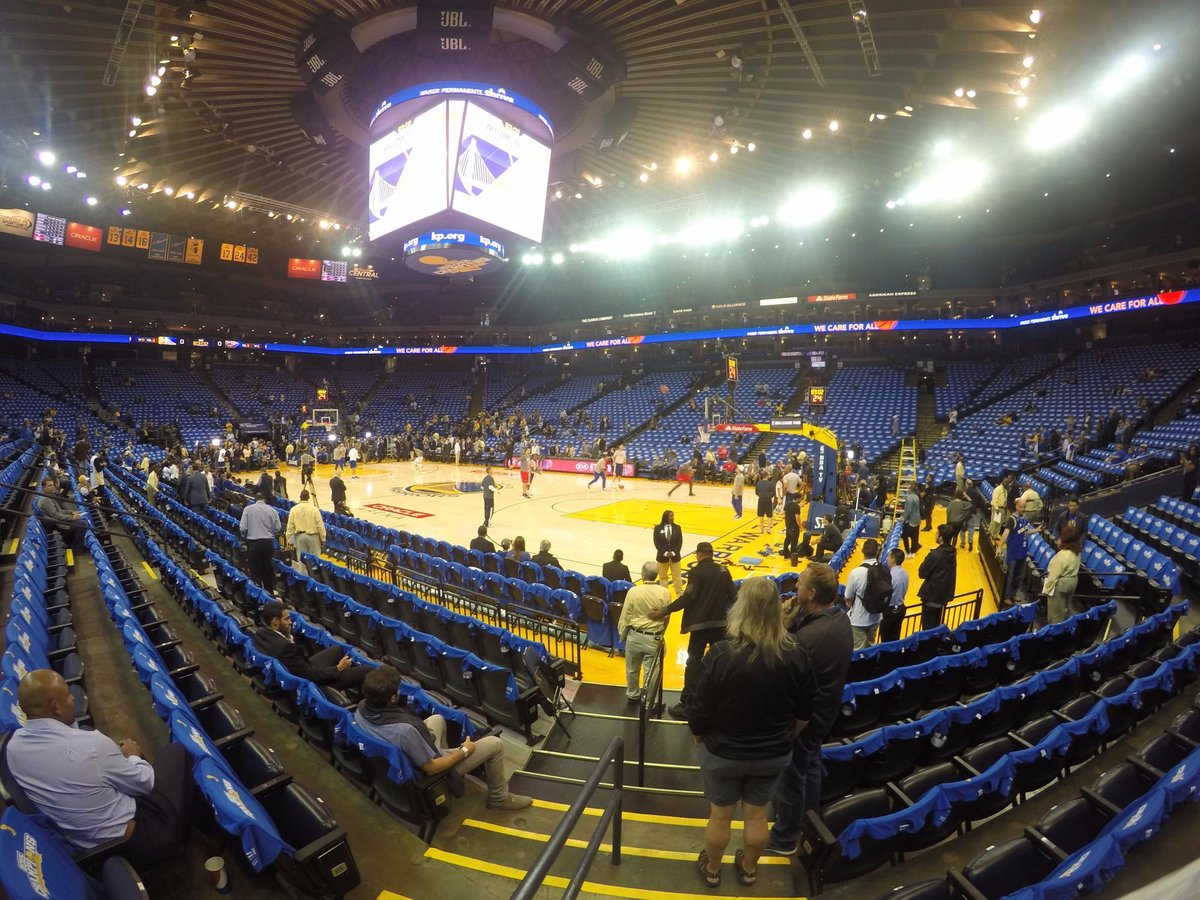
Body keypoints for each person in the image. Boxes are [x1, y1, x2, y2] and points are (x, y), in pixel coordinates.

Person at [688, 577, 818, 888]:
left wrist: (700, 739)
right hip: (772, 753)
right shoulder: (796, 652)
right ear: (776, 610)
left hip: (722, 752)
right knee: (757, 816)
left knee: (720, 816)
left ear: (741, 609)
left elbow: (698, 710)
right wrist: (788, 736)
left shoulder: (721, 652)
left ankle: (713, 870)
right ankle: (748, 869)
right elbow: (805, 710)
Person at [6, 669, 192, 867]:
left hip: (87, 845)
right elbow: (144, 784)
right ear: (56, 708)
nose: (72, 699)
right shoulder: (92, 745)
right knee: (176, 752)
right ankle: (183, 836)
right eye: (68, 694)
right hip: (139, 838)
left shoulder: (12, 749)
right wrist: (134, 757)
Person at [353, 665, 530, 810]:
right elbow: (431, 768)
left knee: (437, 720)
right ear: (393, 697)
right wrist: (465, 751)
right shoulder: (405, 732)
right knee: (495, 744)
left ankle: (448, 789)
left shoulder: (361, 710)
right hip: (431, 770)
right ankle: (498, 797)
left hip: (408, 754)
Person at [766, 563, 853, 856]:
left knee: (792, 778)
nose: (795, 588)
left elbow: (783, 665)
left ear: (812, 593)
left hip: (806, 719)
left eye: (800, 584)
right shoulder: (839, 618)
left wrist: (783, 623)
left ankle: (785, 838)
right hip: (826, 712)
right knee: (810, 766)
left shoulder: (811, 637)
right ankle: (809, 821)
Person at [651, 542, 736, 719]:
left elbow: (688, 597)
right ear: (711, 554)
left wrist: (666, 610)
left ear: (698, 554)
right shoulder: (723, 571)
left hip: (699, 627)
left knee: (694, 664)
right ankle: (717, 702)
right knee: (718, 663)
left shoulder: (696, 572)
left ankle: (687, 704)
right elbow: (735, 597)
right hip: (720, 625)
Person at [252, 601, 369, 691]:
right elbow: (311, 676)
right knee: (368, 669)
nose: (290, 622)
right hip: (314, 683)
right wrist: (338, 668)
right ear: (275, 621)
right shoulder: (286, 647)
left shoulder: (260, 633)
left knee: (337, 649)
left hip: (303, 668)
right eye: (286, 619)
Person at [617, 562, 671, 703]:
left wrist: (623, 633)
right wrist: (661, 633)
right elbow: (666, 617)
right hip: (654, 637)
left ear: (642, 575)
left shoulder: (633, 591)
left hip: (634, 636)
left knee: (632, 669)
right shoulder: (664, 592)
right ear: (657, 575)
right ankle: (649, 702)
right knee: (651, 673)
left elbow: (626, 615)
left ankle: (633, 695)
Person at [845, 538, 886, 649]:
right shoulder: (883, 569)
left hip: (859, 618)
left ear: (863, 551)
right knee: (871, 647)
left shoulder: (856, 573)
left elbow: (848, 597)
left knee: (858, 650)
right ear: (877, 552)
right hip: (876, 616)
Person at [239, 487, 282, 593]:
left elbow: (243, 528)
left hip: (254, 543)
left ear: (254, 499)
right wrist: (271, 534)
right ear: (265, 500)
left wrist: (246, 536)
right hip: (268, 543)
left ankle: (258, 594)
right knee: (267, 568)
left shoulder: (248, 509)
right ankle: (270, 592)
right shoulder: (272, 510)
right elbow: (278, 527)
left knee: (255, 570)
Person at [917, 524, 957, 628]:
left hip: (932, 597)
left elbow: (922, 573)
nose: (935, 535)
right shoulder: (952, 553)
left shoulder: (935, 555)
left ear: (941, 537)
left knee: (928, 628)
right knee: (936, 626)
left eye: (937, 534)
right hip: (943, 597)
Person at [997, 498, 1035, 606]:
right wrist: (1000, 546)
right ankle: (1007, 596)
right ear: (1016, 507)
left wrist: (1036, 530)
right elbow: (1005, 533)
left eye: (1024, 507)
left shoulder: (1025, 518)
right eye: (1021, 507)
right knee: (1011, 575)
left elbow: (1026, 531)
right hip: (1013, 553)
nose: (1022, 509)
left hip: (1023, 552)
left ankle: (1014, 594)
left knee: (1019, 575)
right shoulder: (1012, 519)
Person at [35, 475, 86, 551]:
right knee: (82, 524)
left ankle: (72, 544)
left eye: (52, 485)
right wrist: (72, 517)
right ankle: (77, 549)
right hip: (57, 526)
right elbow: (56, 516)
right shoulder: (45, 500)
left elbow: (60, 511)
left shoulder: (49, 496)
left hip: (58, 521)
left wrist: (72, 512)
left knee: (79, 521)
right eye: (50, 485)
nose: (52, 487)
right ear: (44, 488)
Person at [1044, 524, 1082, 624]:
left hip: (1060, 585)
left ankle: (1054, 635)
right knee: (1065, 610)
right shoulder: (1077, 552)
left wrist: (1047, 590)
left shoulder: (1062, 556)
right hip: (1072, 582)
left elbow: (1053, 577)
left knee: (1055, 615)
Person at [286, 489, 326, 573]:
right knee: (315, 561)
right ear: (308, 498)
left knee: (302, 562)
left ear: (300, 497)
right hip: (313, 537)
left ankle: (304, 580)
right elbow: (320, 525)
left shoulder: (294, 509)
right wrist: (323, 538)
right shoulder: (314, 509)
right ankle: (316, 580)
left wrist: (289, 539)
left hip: (300, 537)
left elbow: (290, 526)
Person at [879, 548, 910, 643]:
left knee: (886, 639)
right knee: (895, 638)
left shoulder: (890, 576)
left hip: (890, 611)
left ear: (893, 559)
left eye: (888, 556)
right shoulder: (905, 573)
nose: (887, 559)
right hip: (900, 608)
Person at [652, 510, 684, 593]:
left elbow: (680, 542)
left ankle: (680, 594)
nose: (673, 518)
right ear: (665, 517)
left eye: (673, 516)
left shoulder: (678, 527)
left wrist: (673, 552)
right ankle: (664, 594)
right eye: (671, 516)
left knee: (677, 577)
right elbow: (656, 543)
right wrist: (665, 553)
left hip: (675, 557)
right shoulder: (657, 528)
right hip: (662, 558)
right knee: (663, 578)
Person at [780, 491, 802, 564]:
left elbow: (783, 513)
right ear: (798, 499)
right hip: (794, 527)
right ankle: (793, 558)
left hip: (788, 525)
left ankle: (786, 555)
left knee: (787, 540)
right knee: (794, 543)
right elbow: (797, 518)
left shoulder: (787, 504)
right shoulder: (796, 506)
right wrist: (800, 526)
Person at [902, 481, 921, 554]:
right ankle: (913, 550)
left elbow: (908, 510)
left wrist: (903, 519)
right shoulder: (916, 496)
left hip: (912, 520)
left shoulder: (909, 498)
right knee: (914, 536)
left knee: (904, 535)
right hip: (917, 519)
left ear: (910, 489)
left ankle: (907, 550)